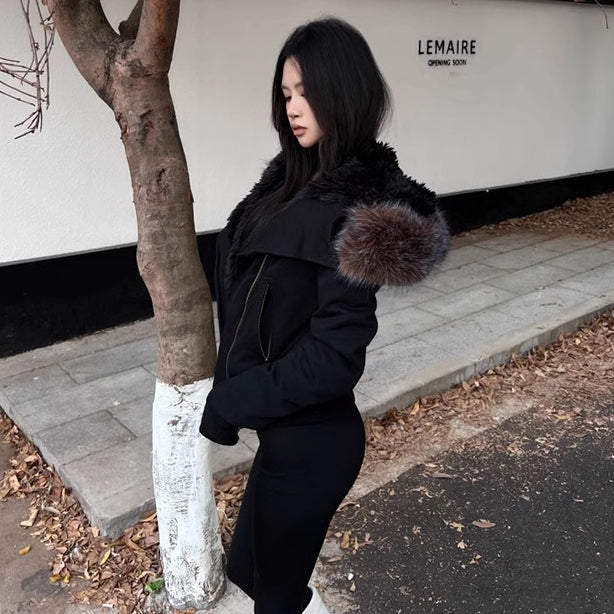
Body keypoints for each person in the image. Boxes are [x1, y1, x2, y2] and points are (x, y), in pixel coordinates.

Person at [200, 17, 449, 614]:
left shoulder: (351, 216)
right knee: (253, 573)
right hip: (282, 436)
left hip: (314, 446)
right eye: (285, 93)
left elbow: (333, 359)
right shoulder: (288, 185)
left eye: (306, 91)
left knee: (274, 595)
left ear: (343, 91)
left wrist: (234, 399)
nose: (292, 107)